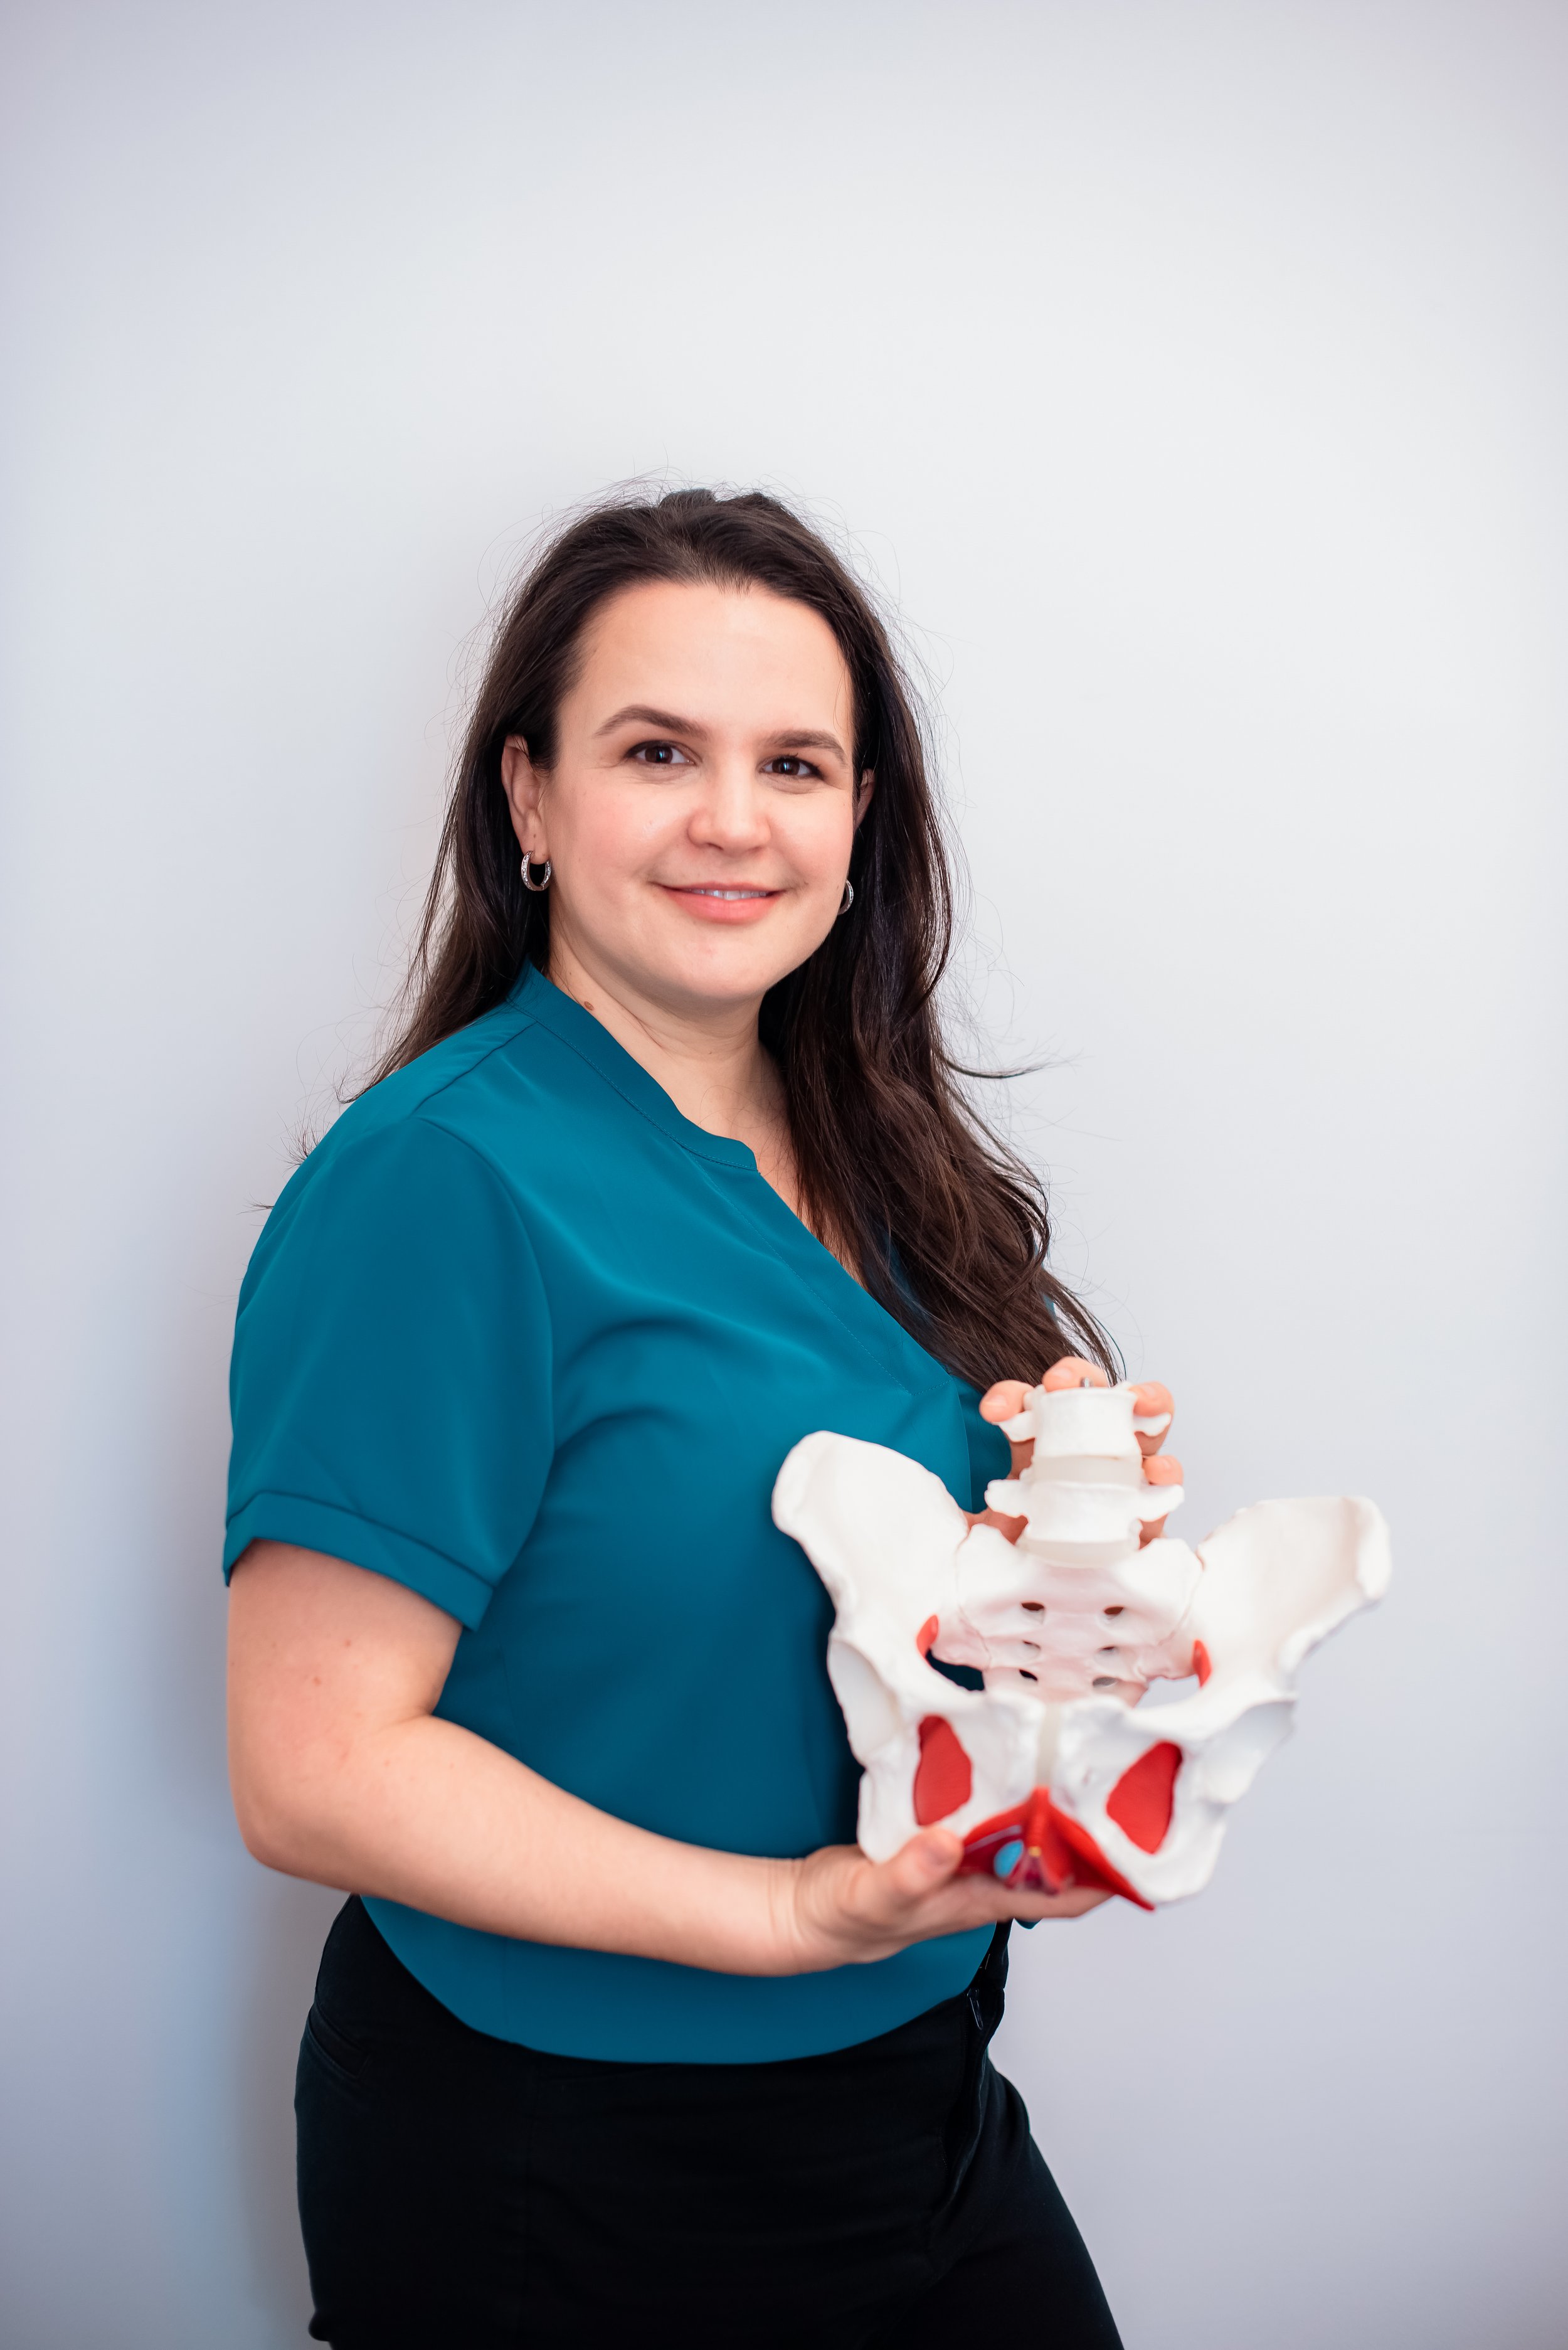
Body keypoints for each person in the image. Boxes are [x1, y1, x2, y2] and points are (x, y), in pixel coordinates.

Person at [223, 488, 1181, 2347]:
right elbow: (312, 1764)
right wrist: (788, 1913)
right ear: (527, 798)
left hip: (912, 2086)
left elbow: (813, 1576)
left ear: (860, 816)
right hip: (572, 2157)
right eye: (657, 750)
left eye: (796, 763)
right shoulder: (445, 1182)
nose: (734, 819)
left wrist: (1064, 1520)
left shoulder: (870, 1142)